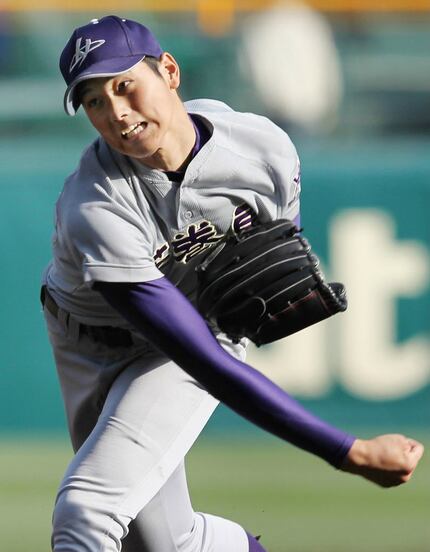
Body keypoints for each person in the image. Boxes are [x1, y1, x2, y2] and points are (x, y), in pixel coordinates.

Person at [41, 15, 424, 552]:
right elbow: (198, 355)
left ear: (169, 71)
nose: (117, 113)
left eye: (125, 85)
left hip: (193, 332)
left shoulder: (262, 149)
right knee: (160, 542)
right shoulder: (94, 205)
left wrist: (347, 450)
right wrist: (348, 451)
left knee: (87, 510)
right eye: (94, 102)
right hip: (89, 345)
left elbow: (227, 316)